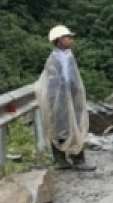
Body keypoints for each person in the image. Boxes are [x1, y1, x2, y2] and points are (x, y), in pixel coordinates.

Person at [37, 25, 95, 171]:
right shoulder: (54, 59)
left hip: (71, 98)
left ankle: (76, 158)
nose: (71, 40)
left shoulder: (68, 57)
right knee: (60, 127)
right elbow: (53, 83)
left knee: (74, 126)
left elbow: (73, 79)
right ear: (59, 40)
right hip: (59, 100)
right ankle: (62, 159)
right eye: (68, 38)